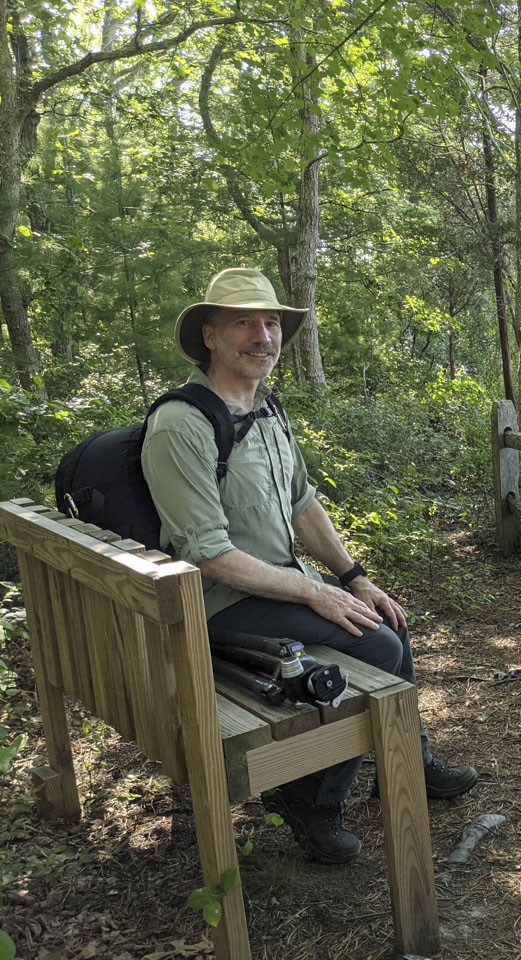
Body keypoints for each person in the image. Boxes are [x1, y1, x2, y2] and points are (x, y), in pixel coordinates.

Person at [141, 267, 477, 864]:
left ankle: (410, 757)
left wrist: (353, 579)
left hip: (275, 586)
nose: (262, 335)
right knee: (375, 647)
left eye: (270, 322)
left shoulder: (267, 410)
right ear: (210, 336)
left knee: (388, 620)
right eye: (243, 322)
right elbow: (207, 554)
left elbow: (302, 505)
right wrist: (311, 592)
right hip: (219, 606)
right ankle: (311, 801)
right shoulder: (181, 424)